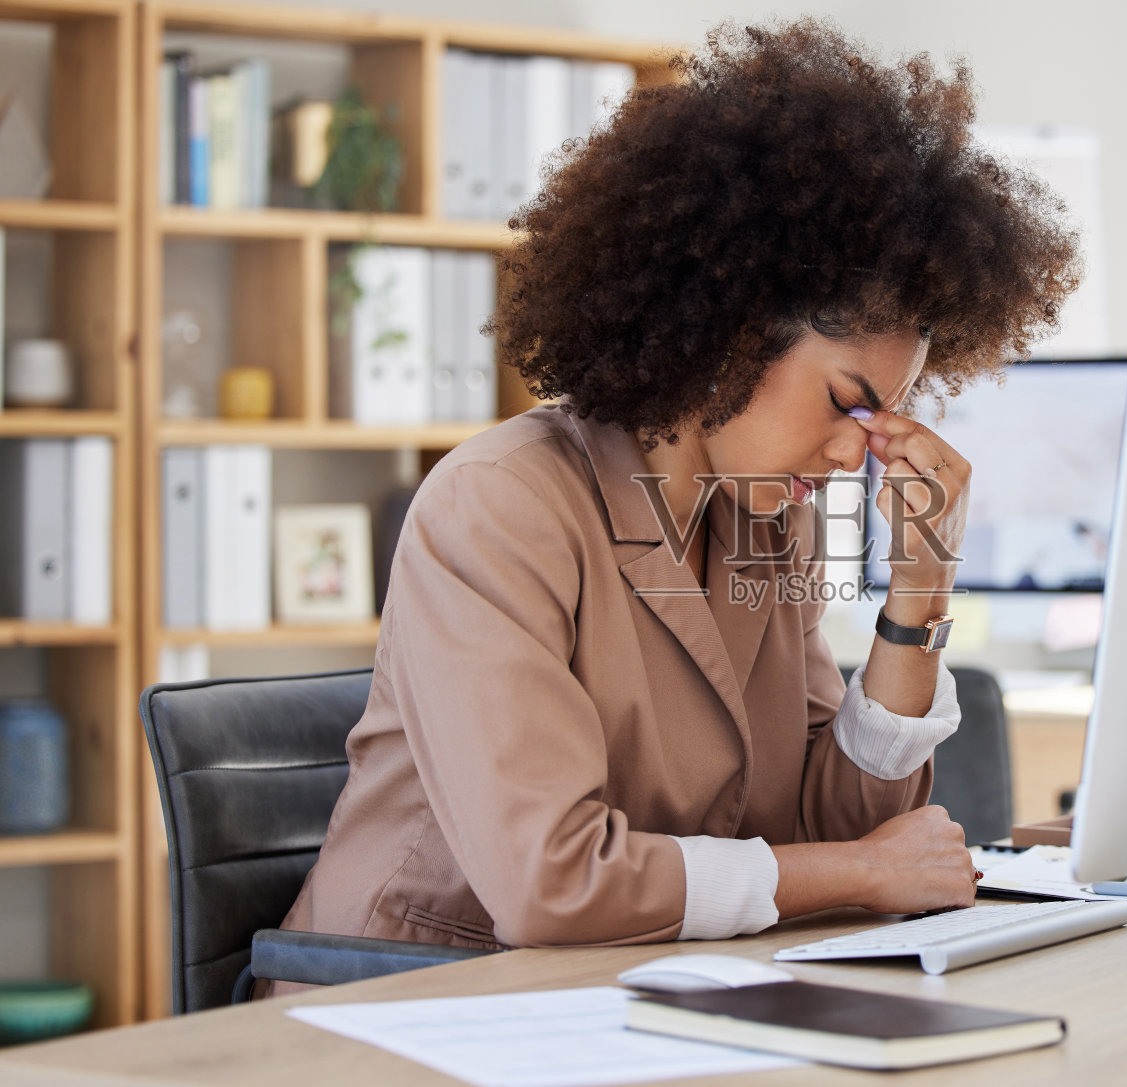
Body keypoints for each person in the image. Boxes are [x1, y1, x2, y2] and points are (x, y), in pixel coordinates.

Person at [276, 18, 1079, 957]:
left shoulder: (764, 523)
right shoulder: (499, 506)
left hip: (623, 992)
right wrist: (861, 872)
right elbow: (553, 881)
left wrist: (919, 592)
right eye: (843, 402)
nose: (856, 454)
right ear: (730, 330)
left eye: (881, 418)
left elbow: (831, 827)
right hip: (409, 995)